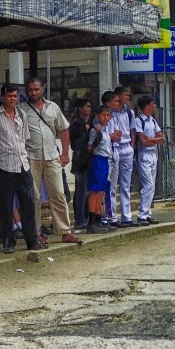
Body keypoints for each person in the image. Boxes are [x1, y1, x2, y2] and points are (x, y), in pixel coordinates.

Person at [0, 84, 47, 253]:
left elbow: (24, 139)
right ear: (3, 97)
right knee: (5, 205)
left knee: (28, 203)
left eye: (15, 96)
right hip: (4, 166)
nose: (12, 99)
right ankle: (8, 242)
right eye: (9, 96)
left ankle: (31, 240)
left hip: (23, 164)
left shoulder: (22, 115)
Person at [20, 78, 82, 245]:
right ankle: (35, 233)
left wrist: (64, 153)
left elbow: (63, 130)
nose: (33, 92)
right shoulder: (21, 110)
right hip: (30, 157)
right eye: (30, 90)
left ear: (43, 89)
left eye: (36, 89)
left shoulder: (53, 107)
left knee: (59, 194)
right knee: (34, 197)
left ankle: (65, 231)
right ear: (26, 91)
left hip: (52, 156)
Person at [133, 95, 165, 226]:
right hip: (144, 154)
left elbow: (162, 138)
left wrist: (152, 140)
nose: (154, 106)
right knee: (148, 184)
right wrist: (154, 140)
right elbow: (143, 141)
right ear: (146, 105)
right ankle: (142, 215)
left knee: (151, 186)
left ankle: (147, 213)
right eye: (152, 104)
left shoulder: (152, 120)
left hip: (153, 154)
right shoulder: (139, 121)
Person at [112, 86, 138, 227]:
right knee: (112, 185)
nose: (128, 98)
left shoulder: (129, 112)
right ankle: (112, 218)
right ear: (118, 96)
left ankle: (126, 217)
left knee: (126, 185)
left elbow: (132, 130)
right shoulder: (110, 112)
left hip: (126, 147)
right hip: (115, 147)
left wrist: (132, 147)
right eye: (126, 95)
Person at [86, 105, 113, 234]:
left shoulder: (105, 129)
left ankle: (98, 220)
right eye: (103, 115)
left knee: (101, 192)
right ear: (97, 116)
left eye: (108, 115)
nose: (106, 118)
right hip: (97, 160)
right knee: (94, 192)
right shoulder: (95, 130)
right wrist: (97, 136)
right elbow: (89, 148)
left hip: (105, 160)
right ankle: (91, 222)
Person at [68, 98, 92, 232]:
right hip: (80, 161)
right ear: (81, 108)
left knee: (84, 190)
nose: (89, 109)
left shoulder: (84, 123)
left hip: (84, 160)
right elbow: (80, 143)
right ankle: (80, 219)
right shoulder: (77, 124)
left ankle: (84, 217)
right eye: (87, 106)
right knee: (82, 191)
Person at [100, 91, 122, 229]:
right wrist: (112, 136)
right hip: (105, 156)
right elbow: (108, 136)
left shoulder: (114, 117)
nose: (117, 104)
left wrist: (113, 136)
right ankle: (104, 216)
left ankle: (112, 216)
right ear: (108, 103)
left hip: (114, 153)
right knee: (104, 188)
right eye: (115, 101)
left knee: (113, 188)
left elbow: (118, 135)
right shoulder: (100, 118)